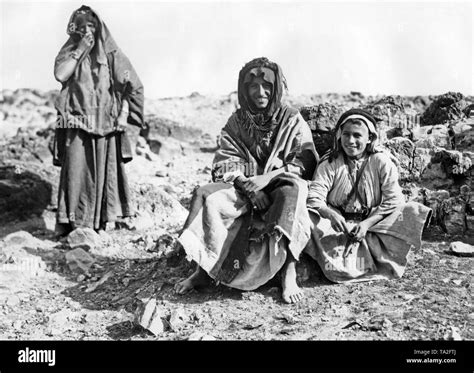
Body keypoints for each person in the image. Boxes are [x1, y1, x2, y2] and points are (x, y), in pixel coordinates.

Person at [174, 57, 318, 303]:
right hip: (244, 189)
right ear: (245, 90)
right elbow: (224, 163)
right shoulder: (236, 122)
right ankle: (202, 271)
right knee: (205, 193)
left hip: (279, 183)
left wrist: (266, 179)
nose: (260, 92)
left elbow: (304, 160)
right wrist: (250, 189)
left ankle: (288, 270)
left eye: (267, 87)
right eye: (253, 87)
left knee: (294, 191)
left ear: (276, 89)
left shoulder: (291, 119)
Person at [305, 108, 432, 283]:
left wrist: (366, 224)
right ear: (339, 135)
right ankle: (347, 263)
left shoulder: (381, 161)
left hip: (374, 225)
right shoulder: (330, 162)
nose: (350, 141)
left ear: (370, 138)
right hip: (336, 226)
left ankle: (377, 258)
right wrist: (330, 214)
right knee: (306, 216)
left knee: (411, 211)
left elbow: (394, 200)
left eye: (357, 135)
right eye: (346, 134)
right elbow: (314, 198)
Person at [53, 5, 144, 233]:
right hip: (76, 122)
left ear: (100, 27)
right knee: (76, 172)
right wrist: (80, 49)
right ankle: (73, 224)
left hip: (106, 125)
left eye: (91, 26)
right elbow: (60, 74)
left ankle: (101, 223)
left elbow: (133, 85)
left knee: (104, 173)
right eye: (82, 28)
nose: (87, 32)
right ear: (75, 30)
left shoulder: (111, 54)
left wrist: (124, 114)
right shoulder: (71, 50)